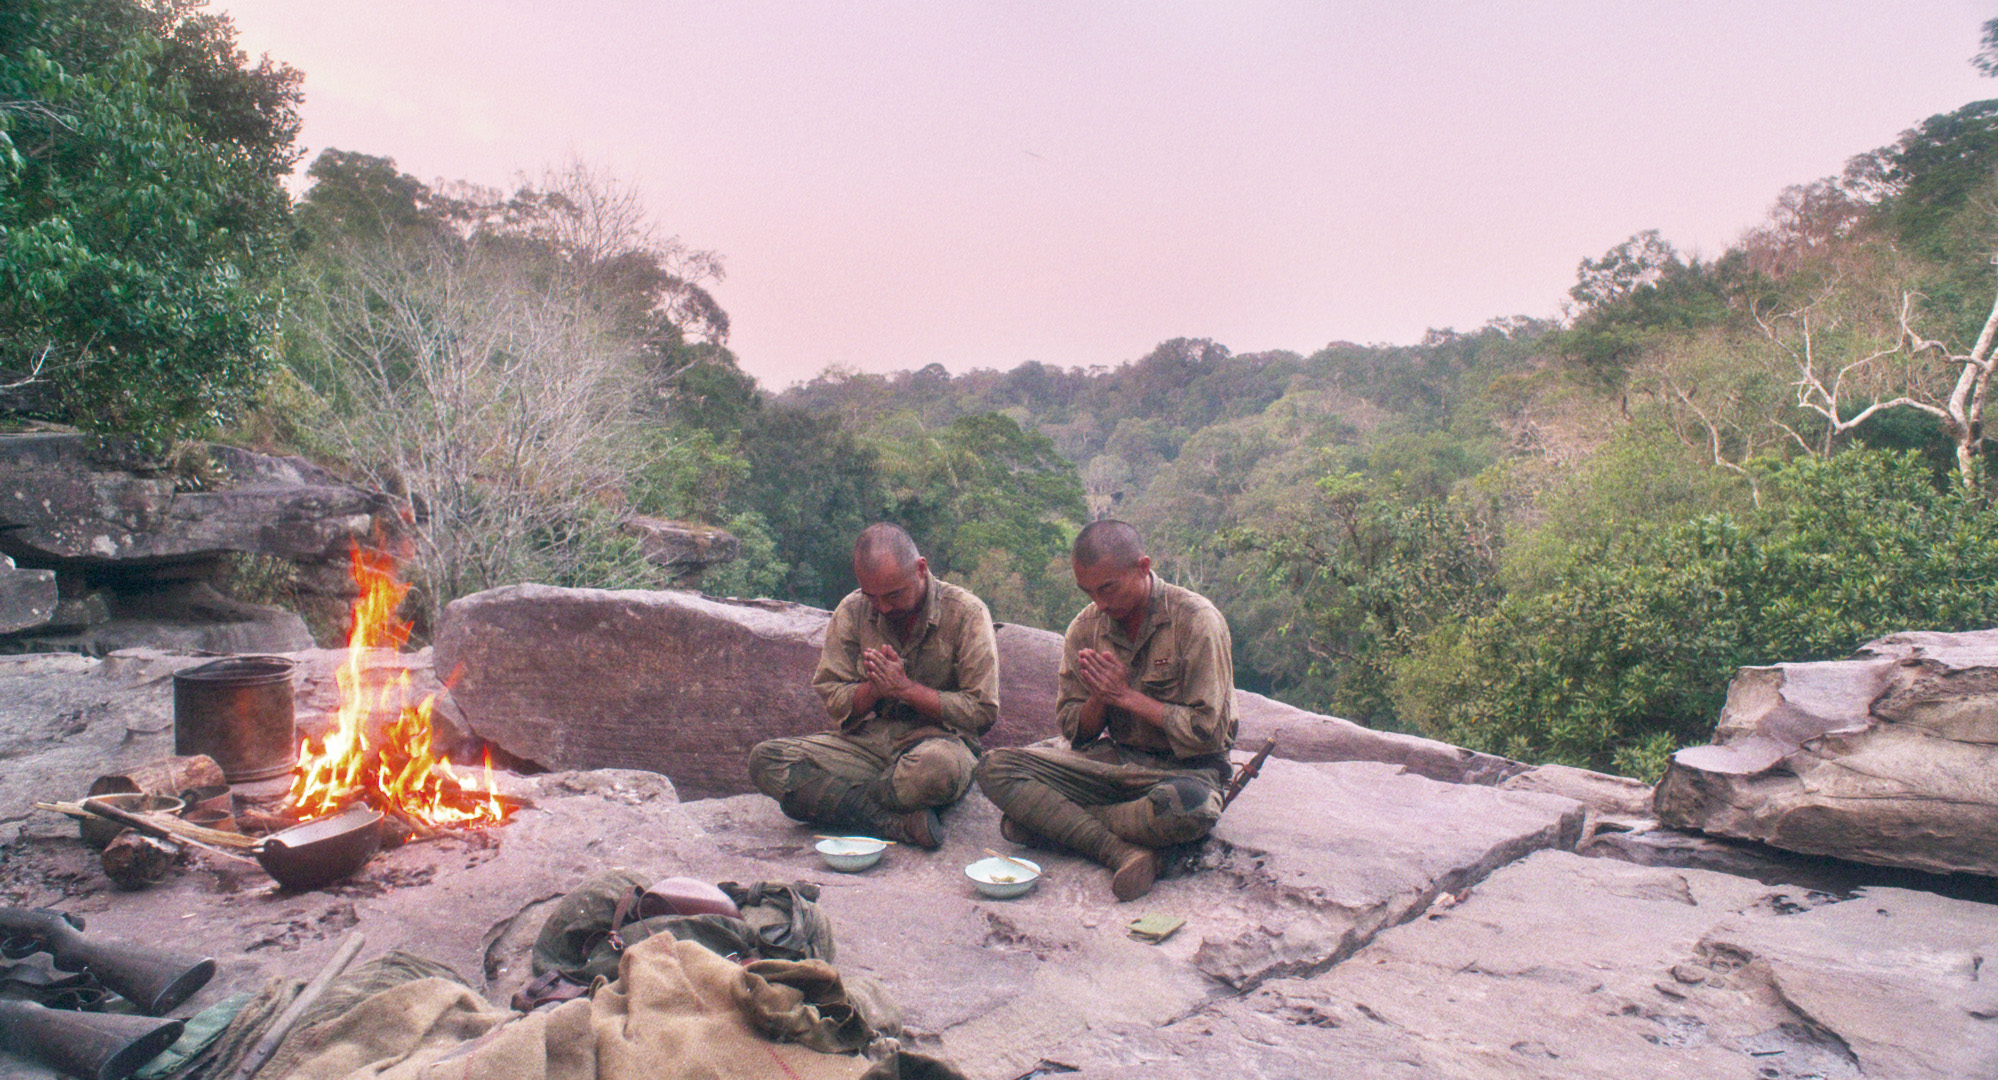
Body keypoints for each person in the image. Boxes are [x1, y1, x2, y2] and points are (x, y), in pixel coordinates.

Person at [975, 520, 1236, 901]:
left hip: (1185, 770)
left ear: (1143, 568)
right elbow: (1073, 730)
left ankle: (1054, 822)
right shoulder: (1085, 628)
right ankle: (1122, 850)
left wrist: (1127, 697)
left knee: (1187, 811)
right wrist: (1100, 697)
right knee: (994, 768)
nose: (1100, 603)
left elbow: (1207, 733)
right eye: (1088, 591)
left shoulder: (1196, 621)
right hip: (1110, 764)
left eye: (1108, 588)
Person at [748, 523, 999, 849]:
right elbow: (833, 696)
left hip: (940, 743)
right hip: (871, 743)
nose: (883, 607)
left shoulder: (967, 613)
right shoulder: (853, 610)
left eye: (894, 595)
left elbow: (982, 712)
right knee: (766, 761)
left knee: (934, 773)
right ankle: (890, 821)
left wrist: (906, 689)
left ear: (920, 569)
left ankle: (833, 802)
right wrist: (876, 689)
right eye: (872, 596)